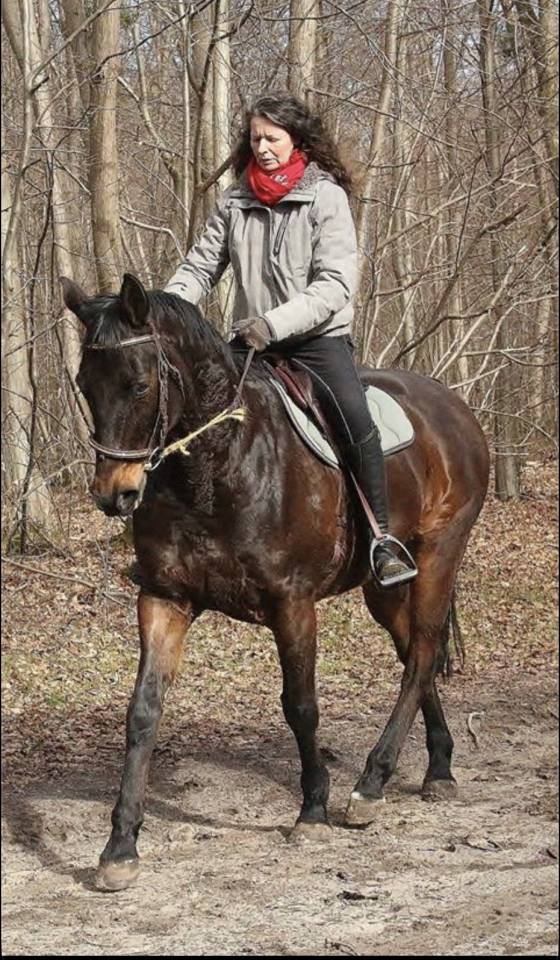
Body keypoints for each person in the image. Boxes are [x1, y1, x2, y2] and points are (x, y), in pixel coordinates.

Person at [165, 92, 415, 587]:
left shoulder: (326, 197)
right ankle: (177, 540)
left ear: (295, 140)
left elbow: (335, 284)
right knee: (186, 414)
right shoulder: (236, 199)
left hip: (316, 341)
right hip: (251, 344)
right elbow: (199, 267)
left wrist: (275, 323)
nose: (262, 147)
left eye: (272, 138)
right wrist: (166, 309)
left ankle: (381, 539)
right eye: (255, 138)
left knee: (355, 419)